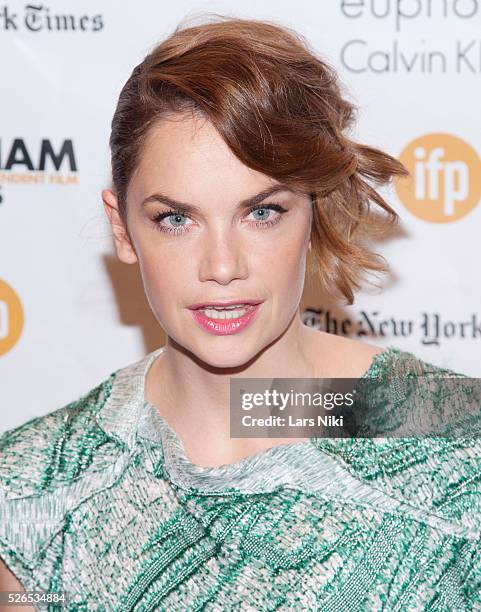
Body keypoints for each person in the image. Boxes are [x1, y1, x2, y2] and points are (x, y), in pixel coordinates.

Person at [1, 15, 480, 611]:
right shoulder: (32, 488)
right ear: (122, 228)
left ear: (314, 211)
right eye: (176, 219)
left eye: (262, 212)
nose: (222, 265)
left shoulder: (455, 442)